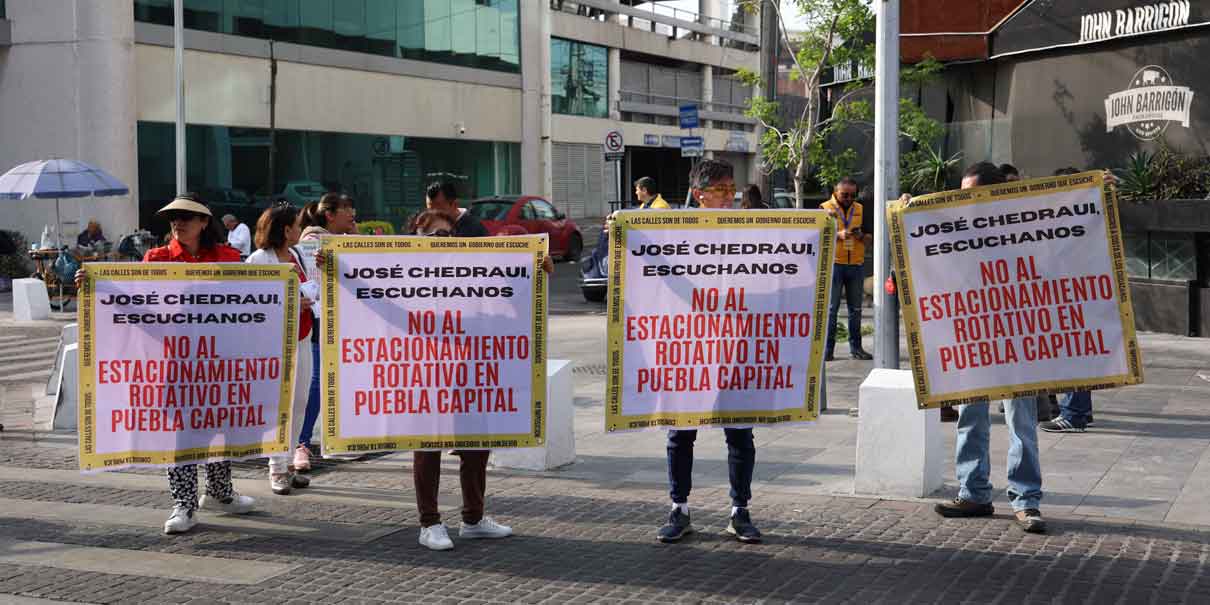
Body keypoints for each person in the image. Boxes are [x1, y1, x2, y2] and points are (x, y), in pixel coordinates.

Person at [78, 194, 257, 534]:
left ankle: (220, 493)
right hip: (174, 361)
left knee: (219, 428)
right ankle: (184, 504)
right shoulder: (156, 258)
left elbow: (263, 297)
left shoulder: (228, 257)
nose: (178, 222)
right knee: (180, 434)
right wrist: (96, 287)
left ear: (204, 222)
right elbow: (136, 304)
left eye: (187, 216)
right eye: (174, 217)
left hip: (219, 361)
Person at [902, 162, 1046, 534]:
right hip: (974, 337)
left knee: (1022, 423)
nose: (965, 200)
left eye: (972, 194)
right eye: (962, 193)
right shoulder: (955, 226)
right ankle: (974, 492)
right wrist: (909, 217)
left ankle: (1026, 500)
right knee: (971, 416)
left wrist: (1102, 194)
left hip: (1017, 338)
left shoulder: (1025, 223)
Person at [656, 158, 761, 545]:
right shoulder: (672, 229)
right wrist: (620, 232)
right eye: (722, 191)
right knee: (681, 434)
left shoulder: (751, 228)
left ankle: (740, 510)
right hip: (689, 347)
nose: (730, 197)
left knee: (739, 432)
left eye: (733, 190)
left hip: (734, 344)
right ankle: (679, 508)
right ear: (699, 194)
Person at [407, 208, 514, 551]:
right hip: (427, 370)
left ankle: (473, 518)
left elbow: (505, 297)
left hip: (468, 369)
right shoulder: (404, 275)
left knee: (476, 444)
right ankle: (430, 523)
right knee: (428, 446)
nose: (443, 241)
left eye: (447, 235)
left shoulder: (469, 271)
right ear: (417, 239)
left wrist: (535, 271)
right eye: (435, 235)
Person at [245, 202, 316, 495]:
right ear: (286, 230)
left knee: (298, 402)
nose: (300, 230)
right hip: (274, 344)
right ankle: (276, 468)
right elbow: (250, 304)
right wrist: (291, 303)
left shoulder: (297, 255)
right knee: (278, 405)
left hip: (301, 337)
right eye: (297, 225)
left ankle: (287, 461)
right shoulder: (260, 259)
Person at [292, 193, 358, 470]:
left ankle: (322, 441)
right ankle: (301, 443)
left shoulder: (339, 240)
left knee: (328, 381)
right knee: (316, 383)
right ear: (330, 214)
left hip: (337, 318)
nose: (352, 213)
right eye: (347, 210)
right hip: (319, 321)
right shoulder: (311, 244)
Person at [1040, 166, 1097, 434]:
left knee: (1076, 352)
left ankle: (1074, 412)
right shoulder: (1059, 217)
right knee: (1073, 351)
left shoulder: (1085, 216)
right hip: (1065, 294)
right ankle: (1078, 410)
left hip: (1078, 295)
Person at [820, 177, 873, 361]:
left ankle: (856, 348)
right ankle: (827, 350)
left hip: (856, 265)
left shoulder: (860, 209)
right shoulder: (824, 208)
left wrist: (861, 236)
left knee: (855, 310)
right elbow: (818, 236)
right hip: (834, 264)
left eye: (852, 195)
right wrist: (838, 234)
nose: (849, 198)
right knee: (831, 309)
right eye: (845, 195)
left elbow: (870, 239)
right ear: (836, 192)